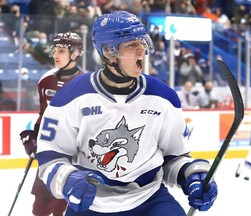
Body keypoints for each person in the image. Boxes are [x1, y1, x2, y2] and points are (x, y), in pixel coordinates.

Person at [36, 11, 217, 216]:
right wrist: (67, 180)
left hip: (150, 200)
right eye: (131, 45)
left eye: (142, 42)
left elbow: (173, 157)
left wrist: (190, 175)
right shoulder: (70, 97)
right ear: (108, 52)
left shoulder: (163, 97)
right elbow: (50, 158)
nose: (142, 50)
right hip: (91, 204)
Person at [19, 31, 84, 216]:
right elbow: (43, 114)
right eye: (55, 50)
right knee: (39, 207)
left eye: (62, 50)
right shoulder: (46, 80)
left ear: (75, 53)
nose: (56, 55)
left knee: (62, 207)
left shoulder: (87, 84)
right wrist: (33, 136)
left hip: (74, 156)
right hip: (49, 152)